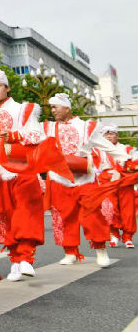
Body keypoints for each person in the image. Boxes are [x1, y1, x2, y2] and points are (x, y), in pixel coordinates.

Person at [0, 68, 46, 282]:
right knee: (2, 214)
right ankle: (14, 260)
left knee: (26, 210)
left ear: (7, 87)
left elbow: (37, 134)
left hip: (21, 162)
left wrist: (15, 135)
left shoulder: (24, 110)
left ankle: (26, 258)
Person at [43, 93, 118, 267]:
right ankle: (70, 252)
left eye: (56, 106)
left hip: (84, 177)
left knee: (93, 214)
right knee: (63, 215)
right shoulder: (47, 128)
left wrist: (123, 157)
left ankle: (101, 250)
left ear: (67, 108)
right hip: (60, 178)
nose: (53, 110)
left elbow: (105, 146)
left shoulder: (86, 127)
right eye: (51, 107)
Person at [101, 125, 136, 248]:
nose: (109, 136)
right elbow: (94, 168)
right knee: (110, 209)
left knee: (128, 210)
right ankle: (114, 234)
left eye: (112, 133)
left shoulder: (127, 149)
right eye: (106, 134)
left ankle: (128, 237)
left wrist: (126, 169)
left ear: (117, 135)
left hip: (125, 182)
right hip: (107, 183)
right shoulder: (99, 150)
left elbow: (135, 163)